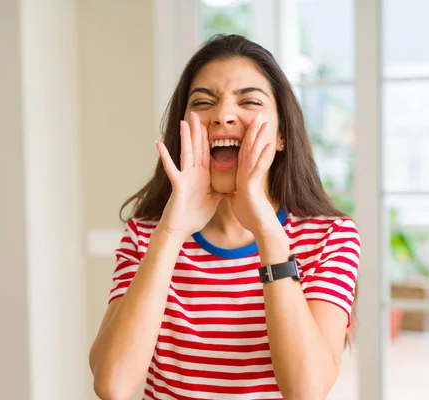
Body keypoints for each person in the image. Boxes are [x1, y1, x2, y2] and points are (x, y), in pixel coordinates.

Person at [89, 34, 360, 400]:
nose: (222, 115)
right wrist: (170, 233)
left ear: (281, 134)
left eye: (249, 100)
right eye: (203, 102)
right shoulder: (147, 235)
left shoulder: (331, 238)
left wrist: (268, 232)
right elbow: (113, 383)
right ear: (182, 129)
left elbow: (307, 390)